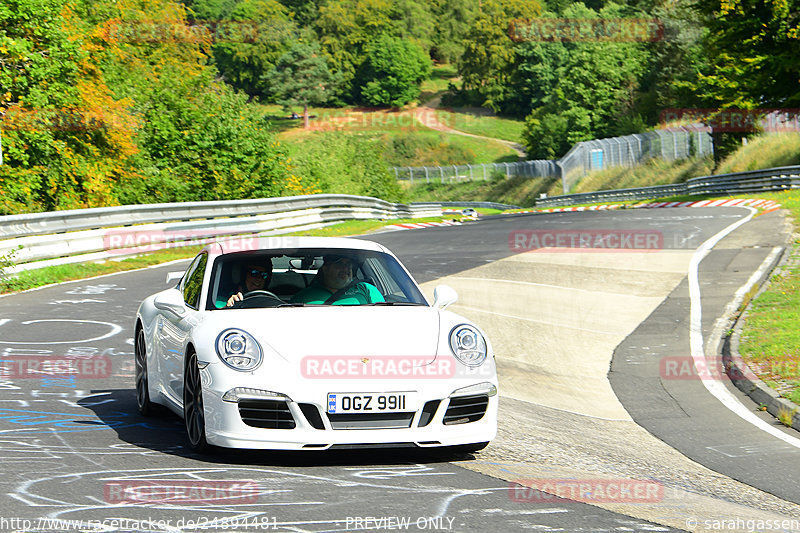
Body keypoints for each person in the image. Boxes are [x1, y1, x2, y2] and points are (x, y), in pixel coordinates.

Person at [290, 254, 384, 305]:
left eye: (348, 264)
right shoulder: (303, 297)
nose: (345, 268)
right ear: (325, 268)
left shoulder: (366, 289)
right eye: (339, 264)